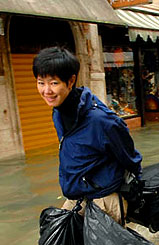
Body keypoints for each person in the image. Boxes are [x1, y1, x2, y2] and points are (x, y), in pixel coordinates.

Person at [33, 47, 142, 225]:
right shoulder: (58, 113)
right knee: (58, 243)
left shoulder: (102, 120)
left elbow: (130, 157)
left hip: (104, 200)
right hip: (77, 196)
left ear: (70, 81)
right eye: (40, 83)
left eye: (53, 83)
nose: (46, 91)